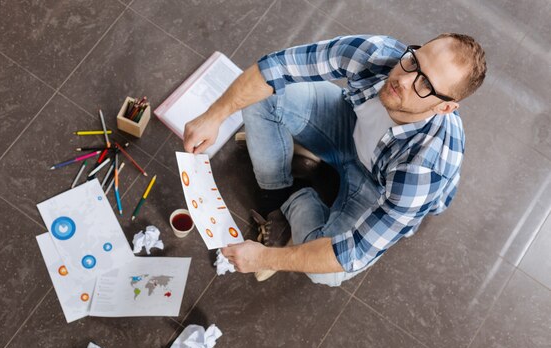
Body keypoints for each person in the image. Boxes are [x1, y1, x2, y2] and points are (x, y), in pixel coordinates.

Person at [183, 33, 486, 286]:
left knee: (325, 272)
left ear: (445, 108)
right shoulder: (376, 54)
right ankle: (276, 195)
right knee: (264, 95)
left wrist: (262, 257)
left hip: (378, 187)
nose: (404, 80)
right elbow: (275, 68)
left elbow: (351, 252)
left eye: (426, 85)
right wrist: (215, 115)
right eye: (414, 61)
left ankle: (299, 196)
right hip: (348, 126)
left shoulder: (423, 171)